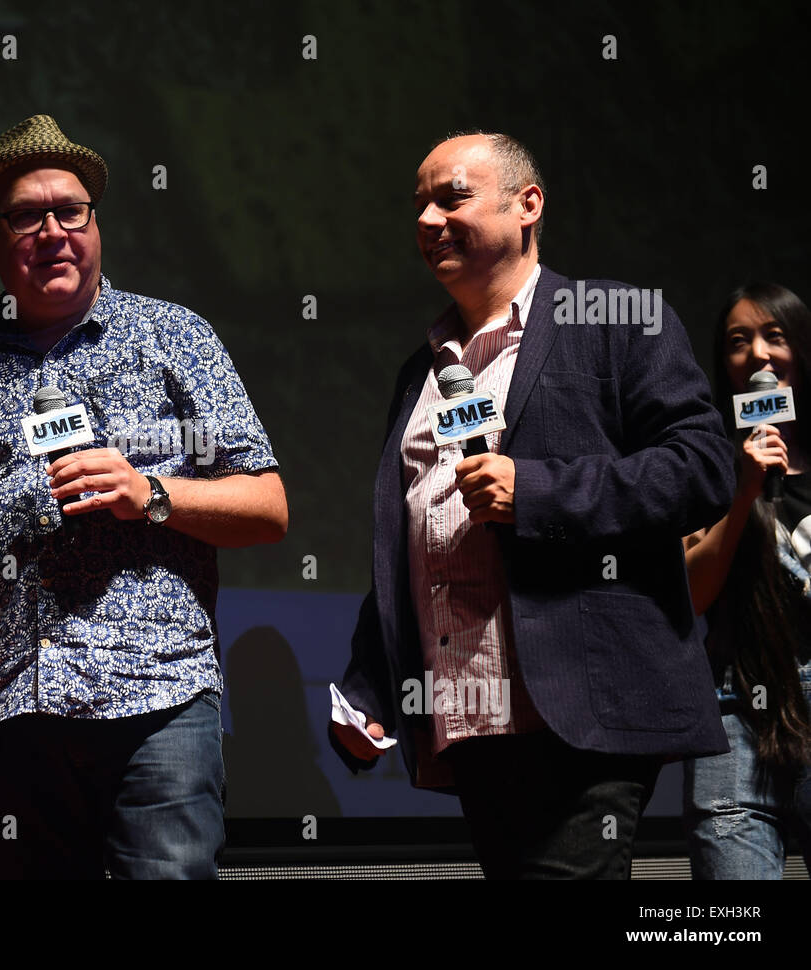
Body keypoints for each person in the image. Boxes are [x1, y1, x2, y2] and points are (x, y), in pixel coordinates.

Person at [0, 114, 287, 879]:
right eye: (26, 215)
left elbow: (268, 507)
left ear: (96, 226)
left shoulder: (174, 338)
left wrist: (149, 492)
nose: (52, 230)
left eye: (71, 210)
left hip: (157, 698)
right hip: (5, 709)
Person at [330, 132, 735, 878]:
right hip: (472, 721)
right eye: (418, 204)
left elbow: (703, 469)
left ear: (528, 206)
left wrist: (538, 491)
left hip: (586, 713)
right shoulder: (417, 373)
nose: (426, 219)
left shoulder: (615, 317)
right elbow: (418, 541)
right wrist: (370, 684)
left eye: (450, 196)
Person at [681, 282, 811, 878]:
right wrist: (745, 493)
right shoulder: (699, 464)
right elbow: (694, 593)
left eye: (774, 336)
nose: (758, 354)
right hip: (735, 713)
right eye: (739, 341)